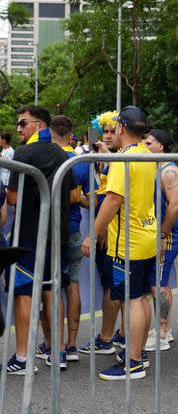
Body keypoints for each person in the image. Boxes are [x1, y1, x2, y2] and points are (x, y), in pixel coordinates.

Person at [81, 106, 157, 380]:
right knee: (141, 298)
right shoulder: (147, 153)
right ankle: (139, 354)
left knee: (132, 300)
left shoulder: (123, 159)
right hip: (147, 234)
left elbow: (112, 199)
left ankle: (133, 363)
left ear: (122, 128)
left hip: (130, 240)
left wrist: (92, 234)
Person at [5, 106, 76, 374]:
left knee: (23, 292)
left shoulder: (23, 153)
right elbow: (71, 195)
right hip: (57, 233)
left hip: (30, 234)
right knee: (53, 288)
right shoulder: (63, 153)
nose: (19, 129)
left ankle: (23, 357)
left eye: (23, 123)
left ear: (39, 125)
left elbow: (12, 198)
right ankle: (57, 352)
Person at [78, 111, 125, 356]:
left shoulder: (121, 160)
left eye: (111, 131)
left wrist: (102, 228)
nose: (107, 136)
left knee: (115, 286)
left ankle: (108, 338)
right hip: (104, 230)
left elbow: (113, 199)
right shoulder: (97, 158)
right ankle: (121, 337)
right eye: (103, 131)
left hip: (116, 234)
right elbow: (97, 198)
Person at [49, 116, 92, 363]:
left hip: (57, 230)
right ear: (71, 135)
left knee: (52, 287)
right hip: (74, 228)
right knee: (72, 283)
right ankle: (72, 344)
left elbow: (77, 196)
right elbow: (87, 197)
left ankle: (54, 347)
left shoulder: (50, 156)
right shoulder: (81, 161)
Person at [142, 129, 178, 351]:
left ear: (162, 146)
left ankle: (163, 332)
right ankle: (162, 328)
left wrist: (164, 233)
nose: (145, 145)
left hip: (168, 234)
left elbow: (175, 205)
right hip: (158, 232)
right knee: (160, 280)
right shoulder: (156, 167)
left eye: (149, 143)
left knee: (159, 282)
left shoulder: (169, 171)